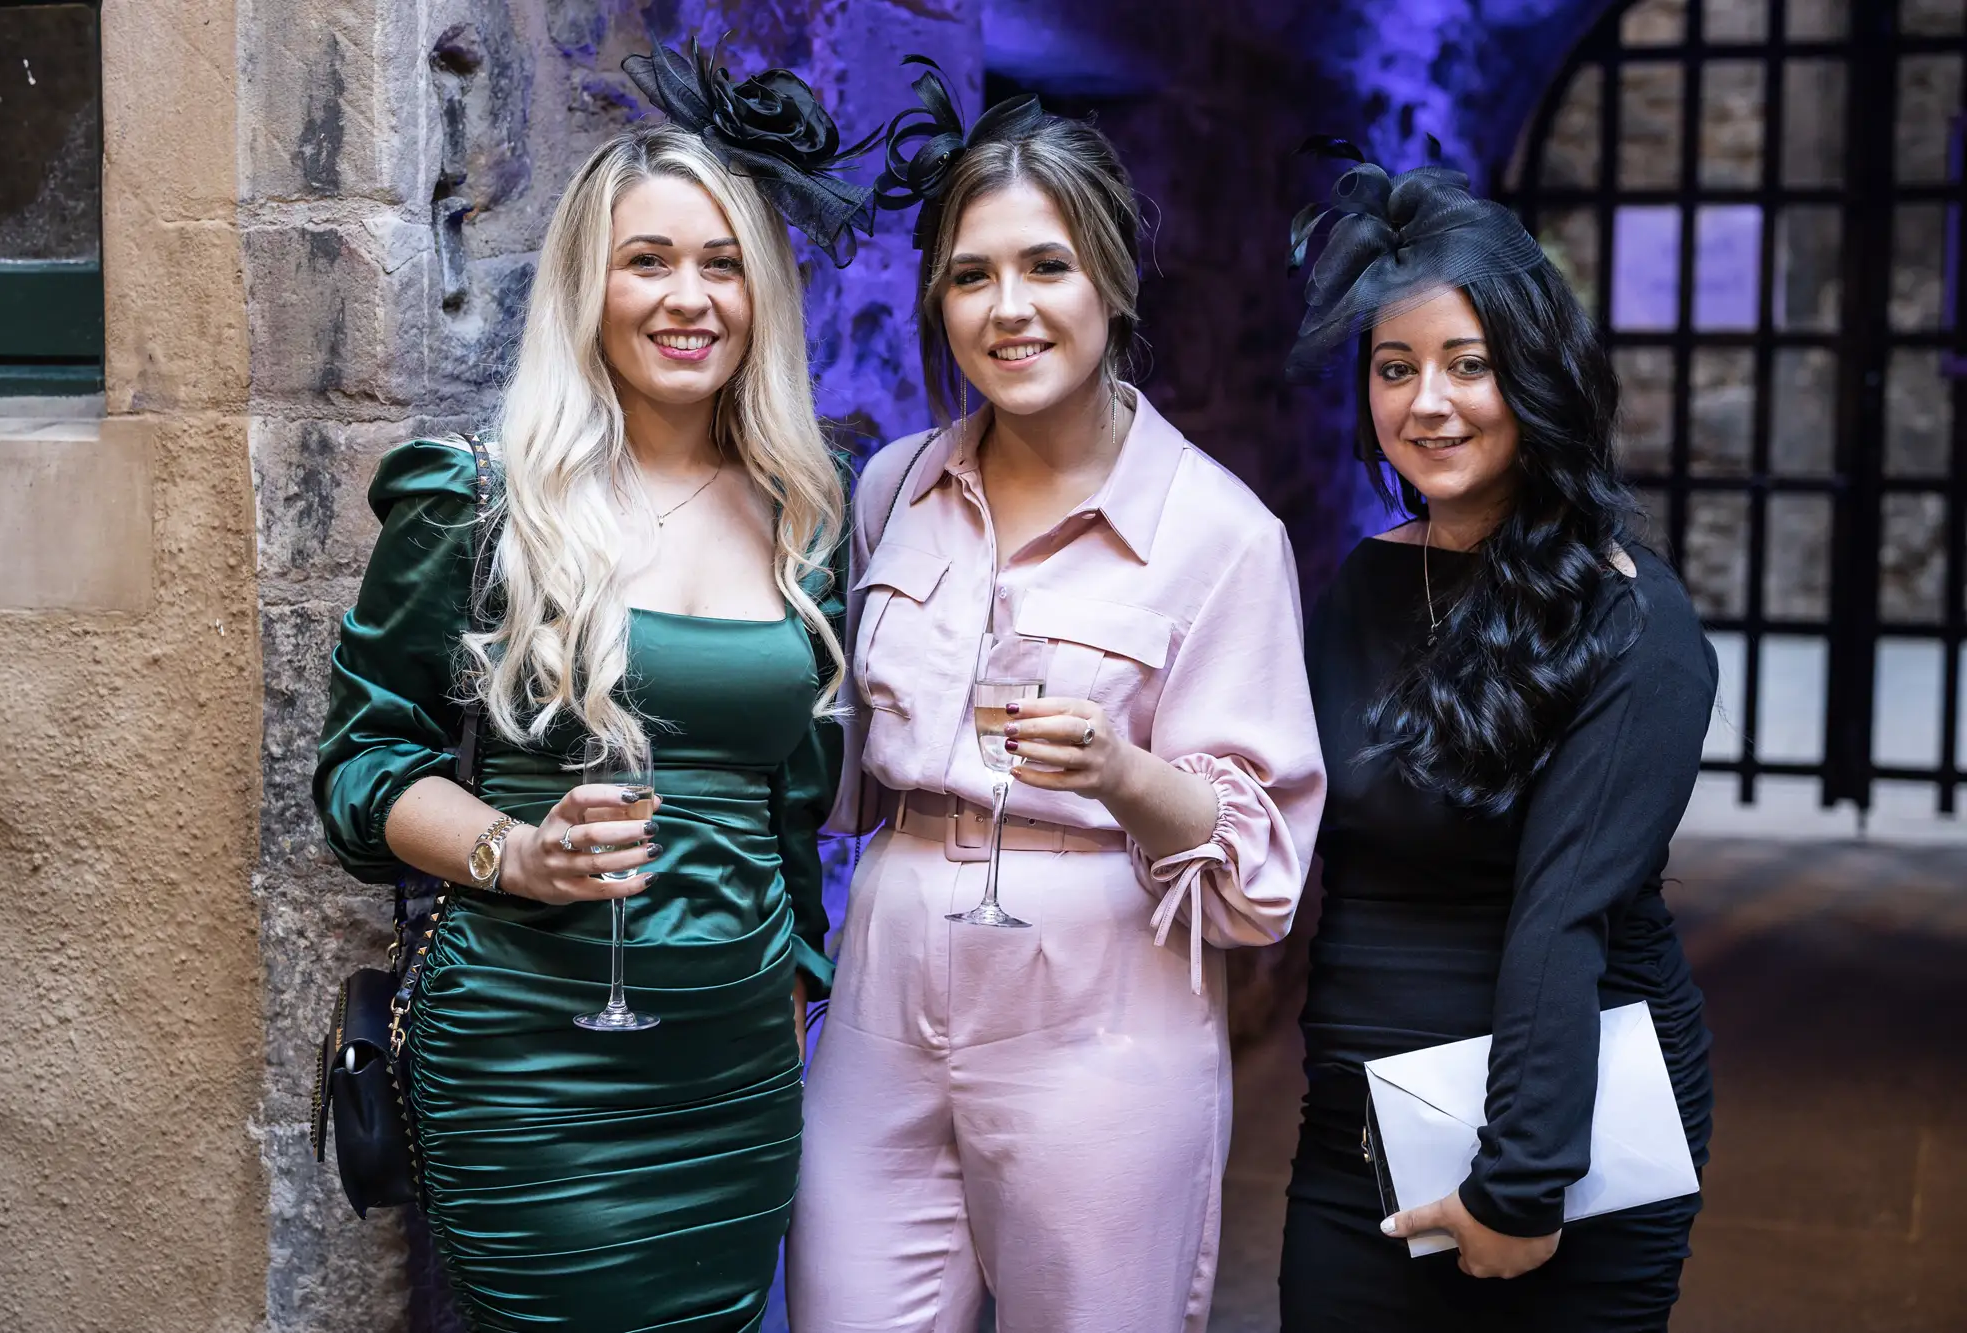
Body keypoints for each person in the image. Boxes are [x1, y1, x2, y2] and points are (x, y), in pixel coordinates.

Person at [312, 42, 873, 1333]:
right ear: (590, 285)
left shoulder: (804, 515)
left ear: (762, 293)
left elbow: (791, 803)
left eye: (721, 263)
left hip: (733, 1063)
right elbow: (359, 769)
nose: (691, 298)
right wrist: (517, 850)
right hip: (533, 1052)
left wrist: (789, 977)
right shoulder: (477, 501)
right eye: (650, 260)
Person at [786, 64, 1325, 1333]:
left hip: (1100, 1006)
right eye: (970, 276)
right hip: (888, 978)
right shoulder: (893, 490)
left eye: (1046, 268)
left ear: (1110, 287)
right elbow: (852, 763)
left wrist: (1120, 772)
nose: (1006, 309)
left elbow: (1258, 887)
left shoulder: (1219, 536)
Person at [1276, 161, 1717, 1332]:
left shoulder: (1631, 619)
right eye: (1393, 368)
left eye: (1467, 364)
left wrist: (1518, 1188)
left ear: (1535, 375)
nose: (1428, 402)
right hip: (1358, 1129)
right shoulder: (1363, 582)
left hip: (1563, 1140)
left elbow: (1561, 914)